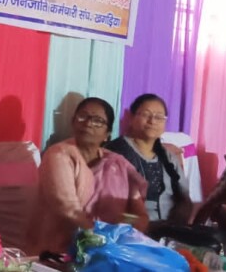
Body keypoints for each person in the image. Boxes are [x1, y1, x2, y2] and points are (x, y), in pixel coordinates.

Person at [27, 97, 149, 255]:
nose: (88, 123)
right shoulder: (59, 155)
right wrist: (101, 241)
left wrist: (126, 234)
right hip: (59, 253)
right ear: (73, 122)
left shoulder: (118, 164)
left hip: (111, 250)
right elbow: (68, 209)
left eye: (98, 121)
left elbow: (140, 216)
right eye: (83, 116)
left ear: (107, 134)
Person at [104, 94, 193, 224]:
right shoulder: (116, 152)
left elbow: (185, 198)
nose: (152, 121)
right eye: (146, 115)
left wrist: (176, 225)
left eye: (159, 117)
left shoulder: (169, 157)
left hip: (168, 228)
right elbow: (109, 205)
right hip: (130, 228)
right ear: (131, 118)